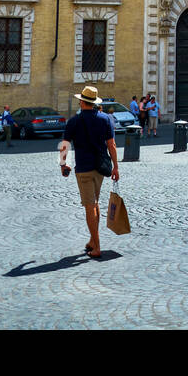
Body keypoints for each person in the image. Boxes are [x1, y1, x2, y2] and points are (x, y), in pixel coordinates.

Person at [60, 85, 119, 259]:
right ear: (94, 102)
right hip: (101, 168)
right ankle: (93, 241)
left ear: (81, 102)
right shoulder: (105, 119)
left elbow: (64, 145)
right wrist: (116, 167)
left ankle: (97, 246)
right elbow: (112, 145)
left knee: (90, 206)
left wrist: (63, 165)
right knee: (95, 204)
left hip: (84, 168)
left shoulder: (74, 121)